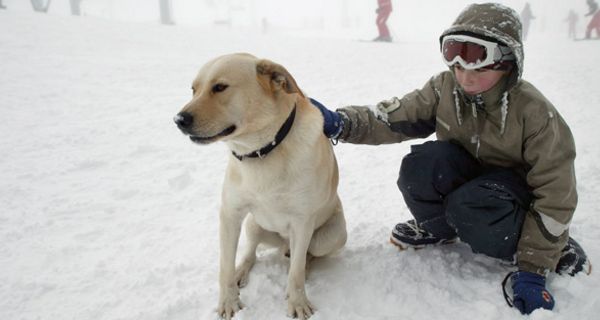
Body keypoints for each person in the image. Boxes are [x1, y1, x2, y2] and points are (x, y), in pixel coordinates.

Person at [311, 2, 590, 315]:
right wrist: (343, 122)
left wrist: (535, 265)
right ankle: (442, 228)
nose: (464, 76)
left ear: (507, 63)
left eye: (478, 66)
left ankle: (553, 247)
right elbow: (394, 118)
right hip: (474, 183)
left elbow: (556, 193)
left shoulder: (536, 113)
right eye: (456, 64)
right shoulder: (445, 88)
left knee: (472, 204)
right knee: (422, 165)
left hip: (513, 197)